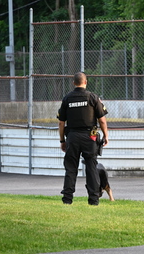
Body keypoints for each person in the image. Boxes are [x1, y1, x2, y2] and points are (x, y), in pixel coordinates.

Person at [58, 72, 109, 205]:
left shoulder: (67, 98)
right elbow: (102, 120)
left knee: (71, 168)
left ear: (74, 83)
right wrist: (106, 135)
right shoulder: (92, 97)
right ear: (85, 82)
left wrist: (62, 140)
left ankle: (67, 199)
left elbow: (61, 123)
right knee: (91, 167)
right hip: (90, 137)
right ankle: (93, 200)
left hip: (72, 137)